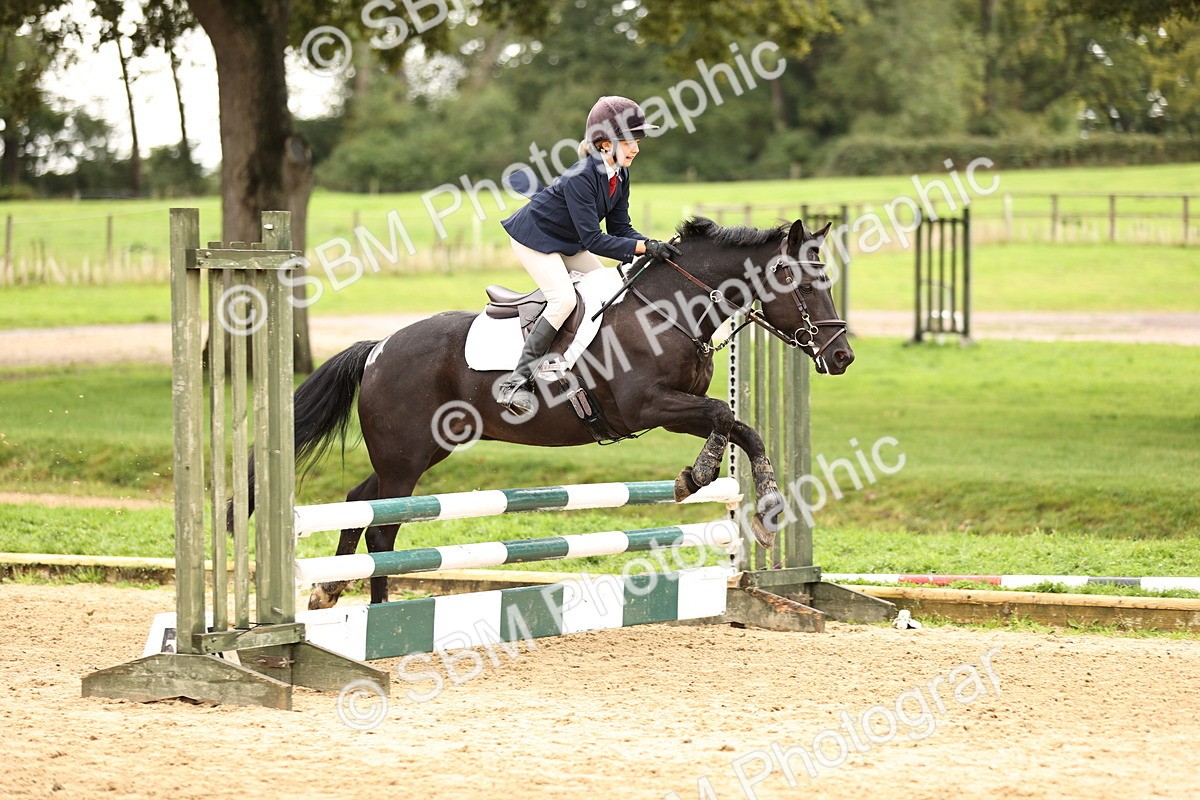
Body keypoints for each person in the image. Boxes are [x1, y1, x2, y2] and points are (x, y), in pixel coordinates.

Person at [496, 95, 680, 415]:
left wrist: (653, 246)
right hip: (535, 240)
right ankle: (517, 380)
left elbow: (621, 228)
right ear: (605, 143)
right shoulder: (581, 175)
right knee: (563, 300)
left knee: (607, 290)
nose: (635, 147)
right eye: (628, 140)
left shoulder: (620, 174)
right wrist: (641, 249)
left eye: (637, 140)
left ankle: (581, 362)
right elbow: (595, 240)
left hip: (568, 242)